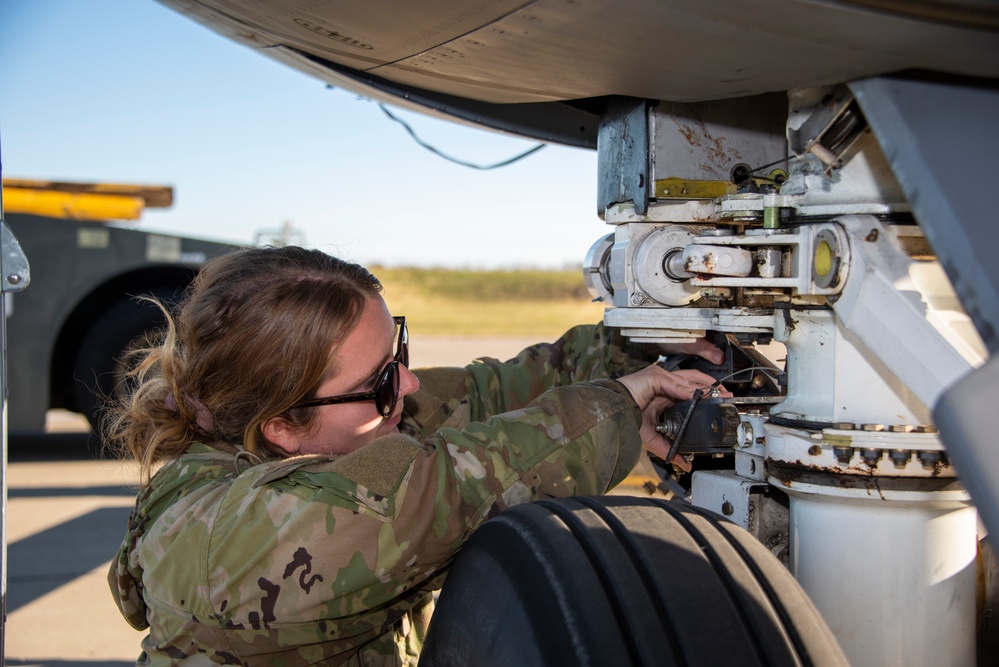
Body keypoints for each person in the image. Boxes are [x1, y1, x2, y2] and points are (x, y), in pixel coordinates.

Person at [107, 245, 723, 666]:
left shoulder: (345, 420)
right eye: (380, 380)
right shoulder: (219, 544)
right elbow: (427, 493)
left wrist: (642, 346)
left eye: (398, 352)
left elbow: (492, 393)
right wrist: (618, 406)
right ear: (282, 429)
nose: (407, 385)